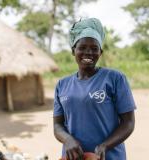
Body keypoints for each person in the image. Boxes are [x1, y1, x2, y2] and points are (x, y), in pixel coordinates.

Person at [53, 18, 136, 160]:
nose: (88, 53)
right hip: (73, 157)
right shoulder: (62, 84)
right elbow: (57, 125)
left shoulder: (115, 78)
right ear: (73, 51)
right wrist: (67, 140)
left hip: (109, 156)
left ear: (100, 52)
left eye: (94, 48)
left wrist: (104, 146)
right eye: (82, 47)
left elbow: (128, 123)